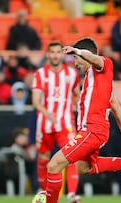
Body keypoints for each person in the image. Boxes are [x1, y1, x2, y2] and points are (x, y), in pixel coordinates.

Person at [33, 38, 121, 203]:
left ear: (84, 55)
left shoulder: (103, 65)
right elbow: (114, 102)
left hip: (93, 130)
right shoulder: (96, 80)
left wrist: (77, 51)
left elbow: (96, 59)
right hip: (94, 131)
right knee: (84, 168)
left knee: (53, 165)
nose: (75, 63)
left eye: (76, 59)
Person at [32, 41, 80, 203]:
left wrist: (81, 109)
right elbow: (36, 101)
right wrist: (47, 113)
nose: (54, 55)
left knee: (71, 156)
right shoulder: (40, 74)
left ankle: (72, 195)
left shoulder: (72, 74)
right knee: (43, 157)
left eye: (58, 52)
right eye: (52, 52)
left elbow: (77, 94)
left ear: (62, 54)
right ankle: (44, 193)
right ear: (48, 54)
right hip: (45, 122)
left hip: (65, 122)